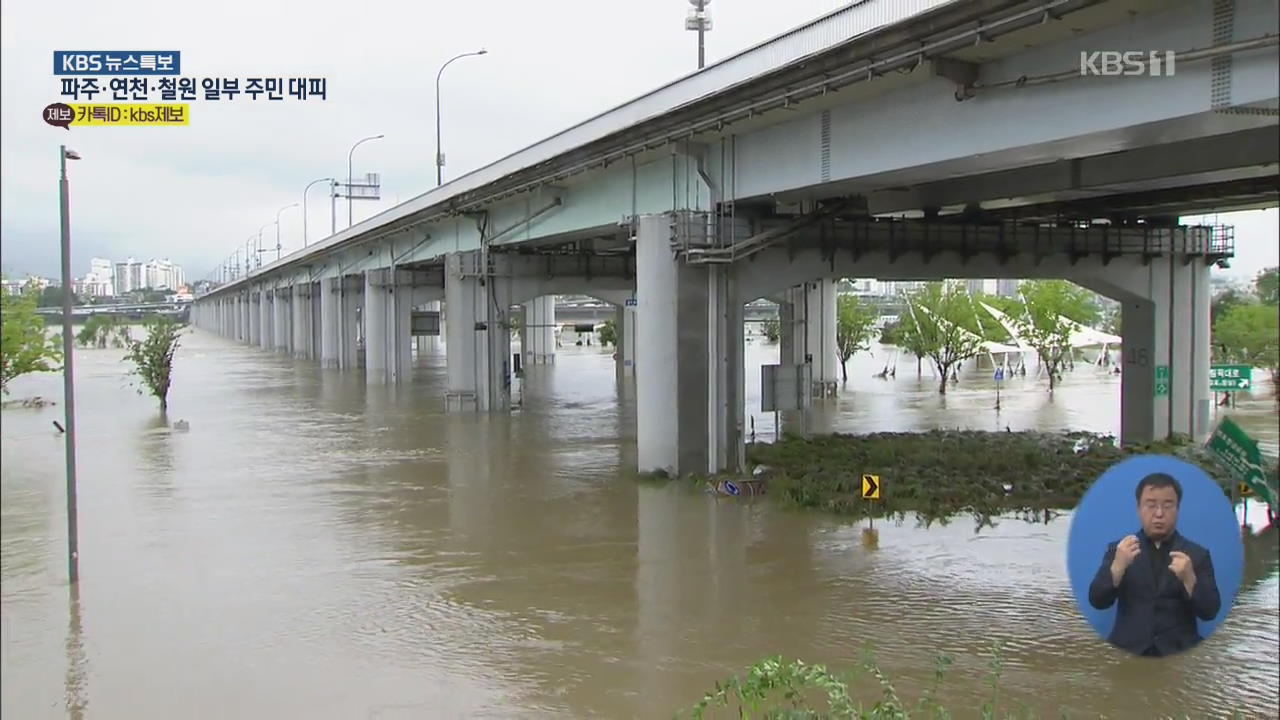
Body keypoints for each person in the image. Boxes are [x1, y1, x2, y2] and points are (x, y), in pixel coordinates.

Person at [1088, 472, 1221, 657]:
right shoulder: (1119, 550)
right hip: (1127, 653)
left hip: (1180, 655)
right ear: (1139, 508)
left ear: (1177, 509)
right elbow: (1097, 601)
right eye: (1150, 505)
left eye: (1168, 506)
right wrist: (1117, 567)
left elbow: (1210, 612)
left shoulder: (1197, 555)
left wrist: (1190, 580)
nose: (1159, 514)